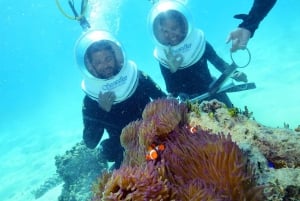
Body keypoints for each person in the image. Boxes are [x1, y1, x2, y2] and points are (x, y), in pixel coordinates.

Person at [74, 30, 166, 169]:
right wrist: (101, 111)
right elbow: (90, 142)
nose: (105, 65)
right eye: (98, 62)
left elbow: (165, 100)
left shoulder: (137, 76)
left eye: (108, 59)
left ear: (116, 57)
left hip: (155, 137)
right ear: (90, 67)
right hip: (124, 152)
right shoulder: (91, 99)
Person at [148, 0, 248, 107]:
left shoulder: (197, 41)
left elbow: (217, 61)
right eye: (165, 32)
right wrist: (172, 70)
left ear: (183, 25)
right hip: (189, 103)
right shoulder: (163, 56)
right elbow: (172, 90)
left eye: (174, 28)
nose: (171, 34)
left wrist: (234, 73)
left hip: (213, 91)